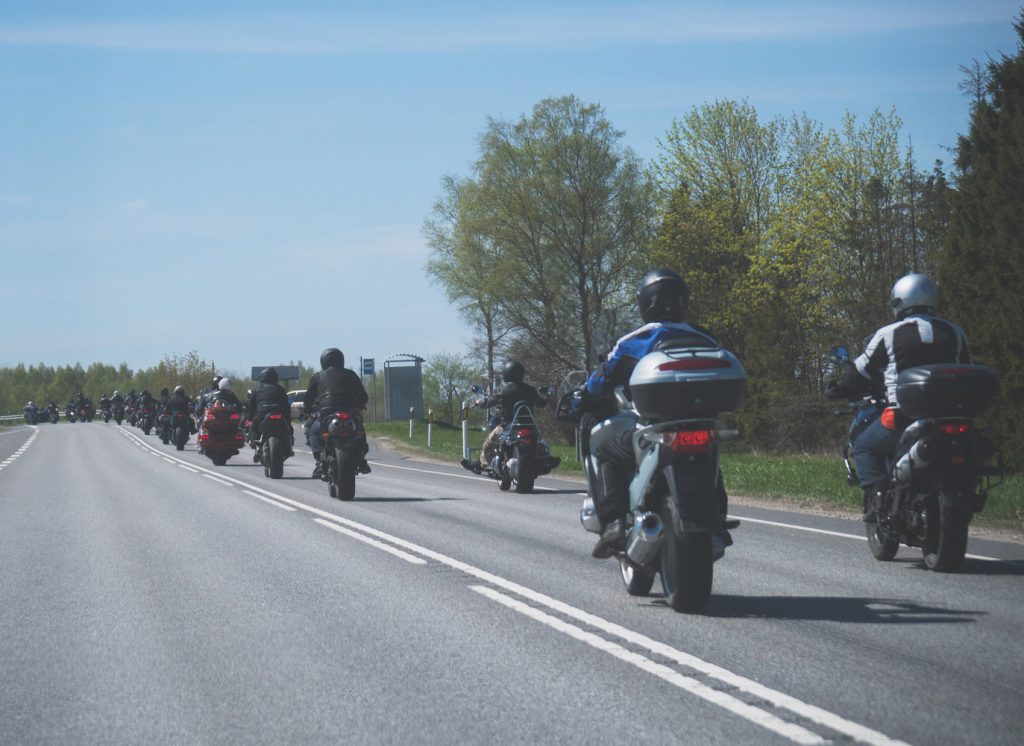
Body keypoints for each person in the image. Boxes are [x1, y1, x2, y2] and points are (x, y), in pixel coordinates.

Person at [580, 268, 731, 559]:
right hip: (701, 424)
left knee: (607, 453)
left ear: (646, 303)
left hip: (653, 428)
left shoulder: (637, 340)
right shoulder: (706, 338)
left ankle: (614, 523)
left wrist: (586, 393)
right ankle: (718, 520)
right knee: (709, 457)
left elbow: (599, 381)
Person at [826, 273, 971, 522]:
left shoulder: (889, 334)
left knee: (863, 445)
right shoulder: (956, 332)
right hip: (951, 416)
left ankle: (877, 497)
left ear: (899, 301)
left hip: (902, 416)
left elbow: (860, 372)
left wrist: (838, 388)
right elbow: (968, 368)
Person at [460, 361, 548, 473]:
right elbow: (542, 403)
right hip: (529, 424)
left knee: (488, 444)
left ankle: (484, 465)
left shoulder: (502, 389)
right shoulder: (530, 390)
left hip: (507, 425)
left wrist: (479, 403)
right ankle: (544, 460)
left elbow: (489, 402)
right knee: (540, 443)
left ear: (507, 373)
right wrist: (545, 397)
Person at [303, 348, 370, 478]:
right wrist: (361, 404)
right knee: (360, 431)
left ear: (323, 361)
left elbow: (308, 398)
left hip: (327, 413)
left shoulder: (318, 376)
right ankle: (361, 460)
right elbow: (363, 396)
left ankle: (319, 462)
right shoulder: (350, 374)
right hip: (349, 412)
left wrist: (307, 410)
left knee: (314, 431)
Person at [247, 367, 293, 456]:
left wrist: (250, 417)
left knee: (254, 427)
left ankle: (254, 443)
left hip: (262, 414)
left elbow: (251, 407)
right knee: (288, 428)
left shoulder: (257, 389)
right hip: (278, 413)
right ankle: (290, 444)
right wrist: (287, 417)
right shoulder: (280, 389)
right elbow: (286, 405)